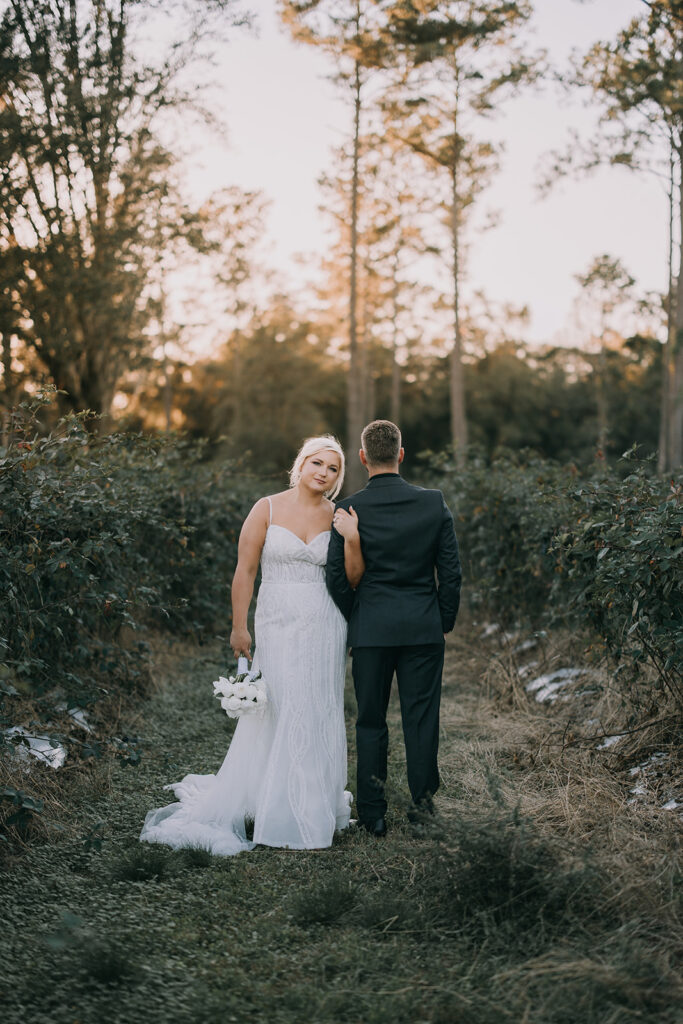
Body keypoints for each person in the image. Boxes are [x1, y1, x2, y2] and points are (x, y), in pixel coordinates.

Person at [140, 435, 355, 855]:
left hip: (326, 623)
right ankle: (271, 799)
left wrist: (352, 538)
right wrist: (239, 626)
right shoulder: (267, 507)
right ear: (300, 463)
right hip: (276, 619)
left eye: (332, 468)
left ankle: (312, 801)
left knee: (316, 704)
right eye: (317, 463)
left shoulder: (338, 515)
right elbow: (245, 570)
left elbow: (349, 576)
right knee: (280, 704)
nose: (323, 473)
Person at [326, 420, 461, 837]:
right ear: (401, 454)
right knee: (421, 721)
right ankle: (422, 811)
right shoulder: (433, 502)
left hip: (371, 631)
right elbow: (450, 572)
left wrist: (359, 614)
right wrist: (442, 621)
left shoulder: (349, 509)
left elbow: (335, 577)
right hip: (423, 628)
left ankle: (373, 814)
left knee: (370, 721)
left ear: (364, 458)